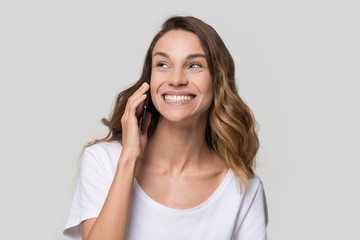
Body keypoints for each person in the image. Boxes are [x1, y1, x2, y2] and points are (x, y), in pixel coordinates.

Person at [63, 16, 268, 240]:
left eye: (194, 65)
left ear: (217, 81)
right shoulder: (103, 161)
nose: (176, 79)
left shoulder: (243, 189)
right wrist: (129, 158)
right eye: (163, 64)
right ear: (149, 80)